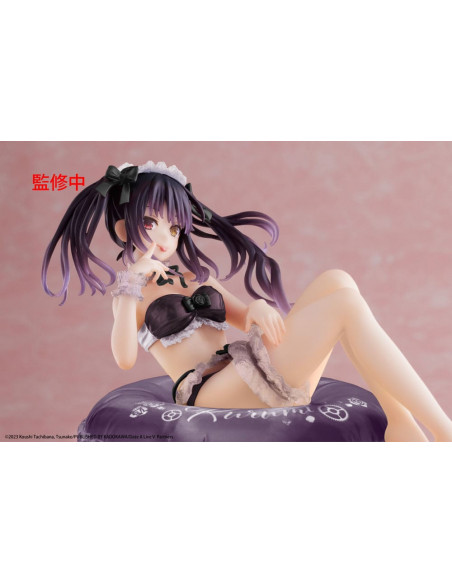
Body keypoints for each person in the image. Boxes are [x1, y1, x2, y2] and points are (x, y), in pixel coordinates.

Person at [42, 161, 452, 441]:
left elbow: (245, 318)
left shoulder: (193, 278)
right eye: (151, 222)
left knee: (338, 281)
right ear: (124, 227)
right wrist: (131, 283)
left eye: (174, 227)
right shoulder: (130, 294)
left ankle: (400, 423)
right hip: (211, 392)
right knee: (344, 305)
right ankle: (443, 432)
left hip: (244, 369)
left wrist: (257, 307)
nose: (165, 237)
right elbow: (124, 358)